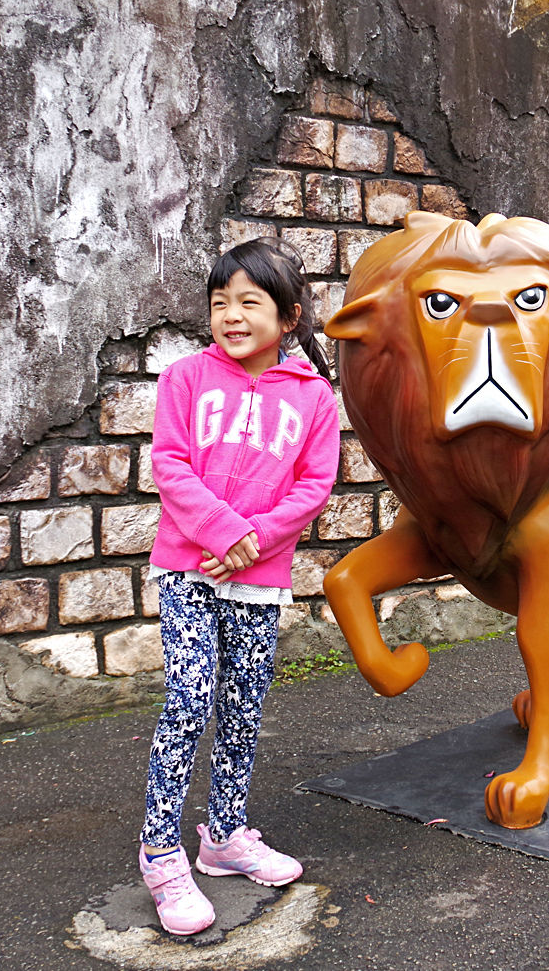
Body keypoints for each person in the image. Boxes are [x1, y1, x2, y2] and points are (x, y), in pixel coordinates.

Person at [138, 237, 339, 934]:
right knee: (191, 697)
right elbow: (170, 464)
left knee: (243, 705)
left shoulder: (313, 398)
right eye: (220, 301)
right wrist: (225, 534)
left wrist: (252, 541)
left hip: (258, 577)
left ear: (288, 317)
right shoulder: (186, 379)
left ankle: (224, 834)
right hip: (188, 568)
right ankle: (161, 851)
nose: (230, 313)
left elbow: (315, 484)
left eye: (249, 301)